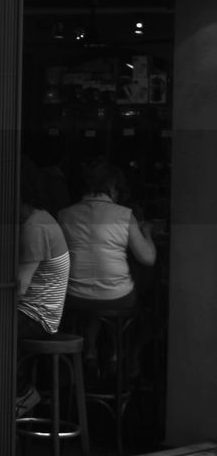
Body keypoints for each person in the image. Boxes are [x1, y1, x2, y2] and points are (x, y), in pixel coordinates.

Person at [58, 159, 155, 380]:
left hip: (75, 297)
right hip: (117, 298)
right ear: (113, 188)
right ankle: (117, 356)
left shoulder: (65, 214)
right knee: (138, 308)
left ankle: (91, 353)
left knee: (94, 301)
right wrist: (147, 232)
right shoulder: (124, 215)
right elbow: (147, 258)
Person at [15, 159, 70, 416]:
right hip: (35, 312)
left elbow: (19, 288)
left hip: (37, 317)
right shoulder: (38, 219)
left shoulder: (35, 227)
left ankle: (22, 392)